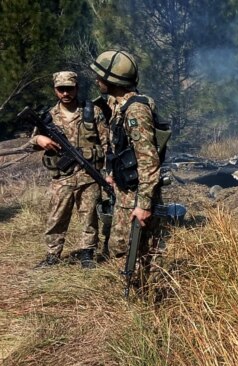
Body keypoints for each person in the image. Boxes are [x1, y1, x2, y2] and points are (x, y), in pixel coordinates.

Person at [89, 50, 163, 267]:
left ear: (114, 80)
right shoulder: (120, 106)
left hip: (136, 195)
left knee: (133, 251)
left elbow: (149, 161)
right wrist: (112, 173)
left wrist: (144, 205)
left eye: (101, 77)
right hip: (125, 191)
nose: (97, 81)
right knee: (121, 248)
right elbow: (120, 147)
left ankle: (142, 295)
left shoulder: (135, 111)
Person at [32, 71, 109, 269]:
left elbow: (107, 144)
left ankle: (87, 253)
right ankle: (52, 255)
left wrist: (109, 174)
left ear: (77, 88)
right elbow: (33, 140)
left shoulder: (92, 112)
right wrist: (39, 139)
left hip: (89, 175)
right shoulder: (48, 117)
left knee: (89, 216)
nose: (65, 93)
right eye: (61, 89)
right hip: (62, 177)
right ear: (55, 90)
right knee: (56, 217)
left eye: (69, 88)